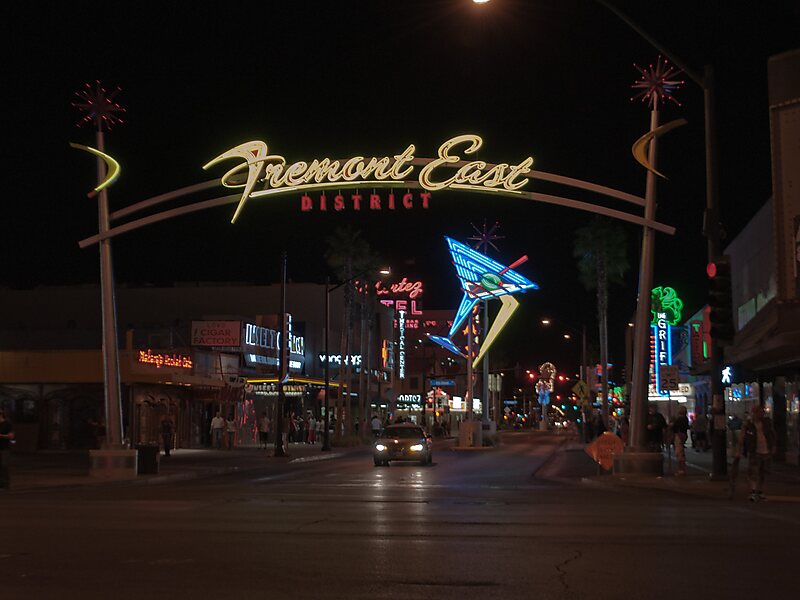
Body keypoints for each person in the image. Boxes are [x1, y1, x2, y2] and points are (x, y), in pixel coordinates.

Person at [736, 405, 776, 502]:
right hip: (754, 451)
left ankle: (760, 491)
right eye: (758, 412)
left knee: (763, 472)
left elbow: (772, 434)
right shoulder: (748, 424)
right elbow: (742, 437)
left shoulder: (766, 423)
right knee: (753, 471)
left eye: (761, 412)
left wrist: (773, 446)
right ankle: (753, 491)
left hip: (766, 450)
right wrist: (739, 449)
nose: (760, 414)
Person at [671, 406, 690, 475]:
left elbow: (674, 427)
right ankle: (681, 469)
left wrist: (672, 425)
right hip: (682, 435)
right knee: (680, 452)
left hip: (679, 435)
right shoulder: (685, 419)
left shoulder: (680, 419)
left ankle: (681, 470)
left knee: (679, 453)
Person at [0, 411, 15, 490]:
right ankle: (1, 484)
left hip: (5, 448)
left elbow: (11, 436)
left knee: (4, 465)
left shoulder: (7, 424)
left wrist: (1, 435)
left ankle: (6, 485)